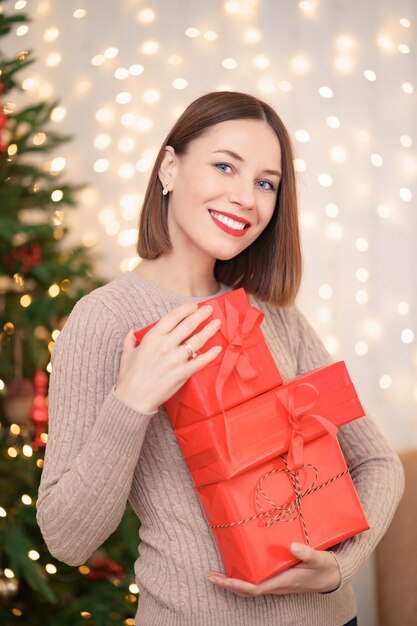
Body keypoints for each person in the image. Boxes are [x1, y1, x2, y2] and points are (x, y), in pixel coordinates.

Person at [36, 91, 404, 626]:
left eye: (264, 183)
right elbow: (67, 540)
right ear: (169, 166)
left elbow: (377, 462)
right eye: (224, 166)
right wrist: (132, 401)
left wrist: (337, 569)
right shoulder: (104, 320)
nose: (245, 198)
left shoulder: (274, 313)